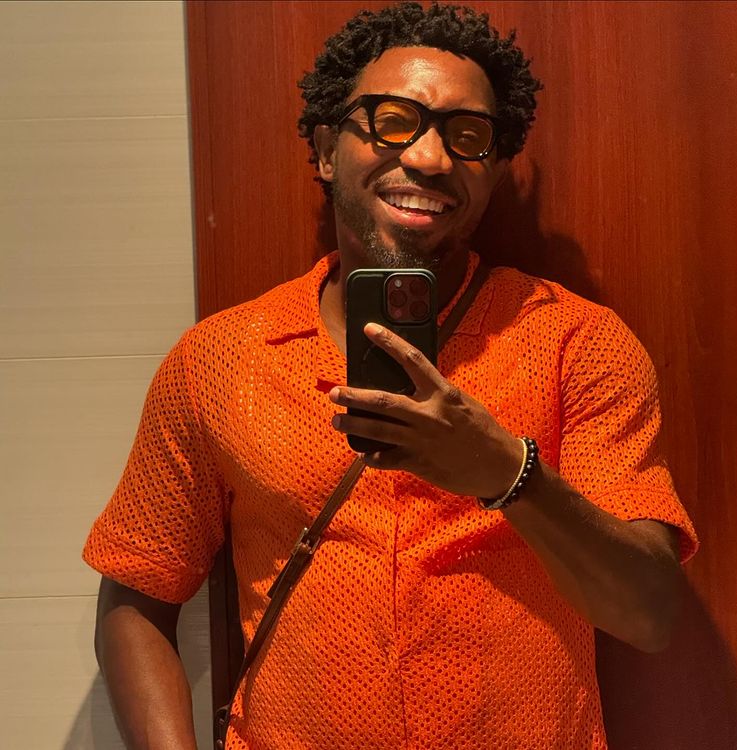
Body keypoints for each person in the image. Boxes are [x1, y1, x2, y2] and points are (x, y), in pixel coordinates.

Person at [84, 3, 698, 749]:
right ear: (325, 150)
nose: (431, 159)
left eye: (467, 136)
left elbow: (647, 614)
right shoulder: (221, 358)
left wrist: (508, 473)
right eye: (393, 121)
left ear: (494, 171)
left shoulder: (576, 343)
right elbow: (137, 592)